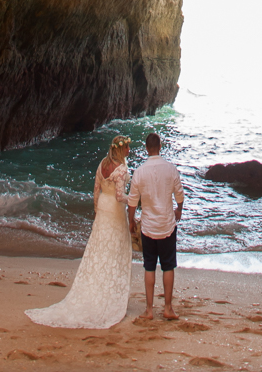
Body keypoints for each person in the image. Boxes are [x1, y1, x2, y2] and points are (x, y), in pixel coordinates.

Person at [25, 134, 134, 329]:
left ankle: (96, 288)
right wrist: (134, 199)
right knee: (114, 249)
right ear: (120, 149)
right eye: (126, 147)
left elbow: (96, 189)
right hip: (115, 211)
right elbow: (119, 196)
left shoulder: (102, 164)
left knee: (99, 248)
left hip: (103, 208)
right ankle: (107, 294)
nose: (128, 150)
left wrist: (96, 210)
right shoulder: (121, 169)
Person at [127, 132, 184, 321]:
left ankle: (149, 310)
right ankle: (168, 308)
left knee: (149, 267)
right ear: (160, 147)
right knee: (168, 267)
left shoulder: (140, 171)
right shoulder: (170, 169)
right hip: (167, 225)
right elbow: (179, 194)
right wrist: (179, 211)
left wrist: (131, 222)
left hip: (148, 227)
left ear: (146, 149)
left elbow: (132, 202)